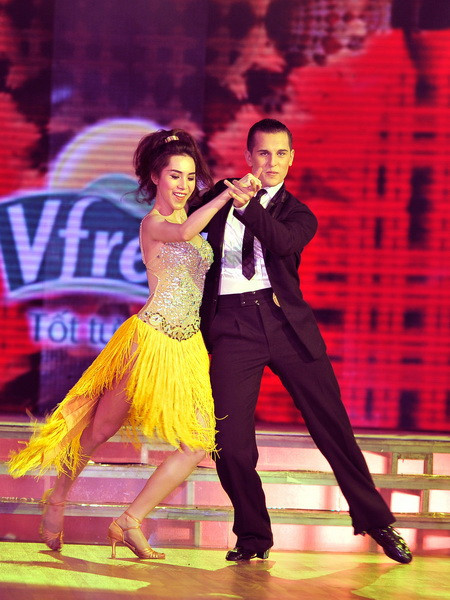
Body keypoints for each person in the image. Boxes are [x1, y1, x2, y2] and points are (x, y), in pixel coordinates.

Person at [8, 128, 260, 559]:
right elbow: (185, 233)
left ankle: (129, 520)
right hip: (149, 343)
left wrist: (243, 195)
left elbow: (200, 239)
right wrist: (225, 195)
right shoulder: (154, 224)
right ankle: (58, 498)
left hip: (187, 347)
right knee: (99, 430)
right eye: (175, 176)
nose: (183, 185)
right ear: (156, 178)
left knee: (198, 443)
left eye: (190, 177)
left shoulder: (192, 221)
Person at [196, 118, 413, 564]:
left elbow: (281, 243)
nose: (271, 162)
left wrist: (248, 206)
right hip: (233, 325)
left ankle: (376, 521)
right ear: (248, 155)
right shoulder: (221, 194)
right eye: (263, 153)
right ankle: (253, 535)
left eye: (281, 153)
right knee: (229, 442)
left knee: (332, 425)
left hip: (286, 324)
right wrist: (218, 197)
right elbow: (182, 220)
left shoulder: (299, 213)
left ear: (292, 158)